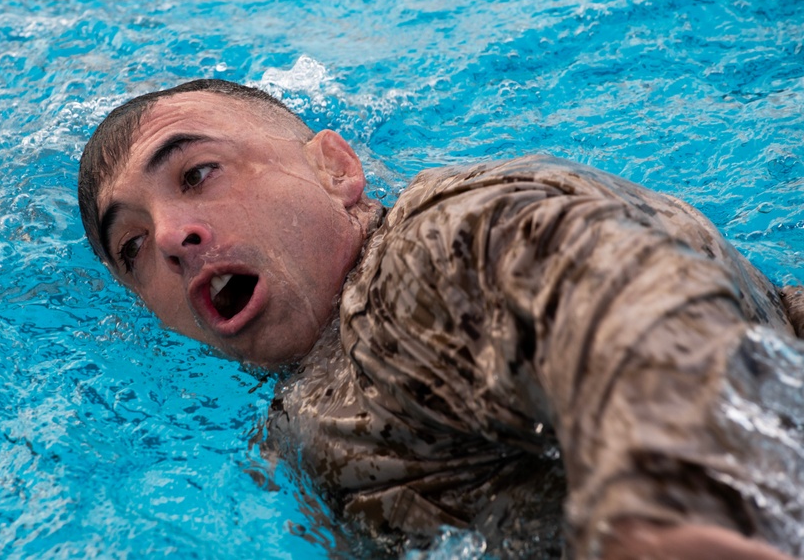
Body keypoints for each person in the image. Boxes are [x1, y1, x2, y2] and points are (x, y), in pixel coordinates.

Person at [77, 79, 804, 559]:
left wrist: (672, 508)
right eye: (133, 245)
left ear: (335, 169)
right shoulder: (289, 437)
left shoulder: (436, 243)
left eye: (198, 173)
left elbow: (616, 291)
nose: (171, 236)